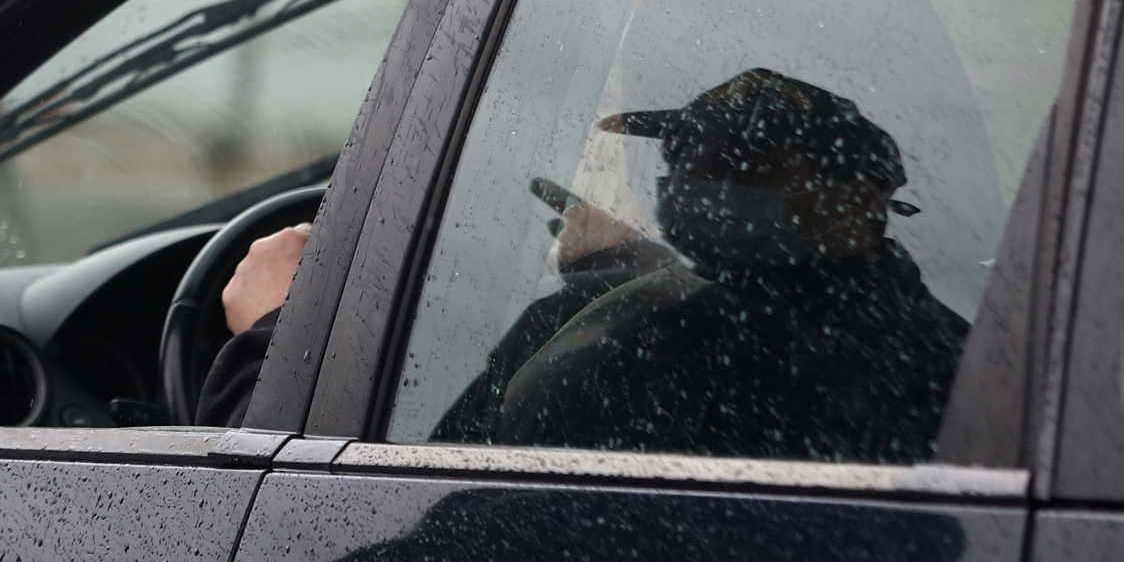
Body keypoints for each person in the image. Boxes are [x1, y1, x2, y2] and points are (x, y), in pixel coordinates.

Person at [200, 68, 967, 463]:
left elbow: (346, 518)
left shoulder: (656, 351)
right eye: (678, 157)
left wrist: (269, 338)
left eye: (733, 163)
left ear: (853, 200)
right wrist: (625, 277)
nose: (683, 183)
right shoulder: (948, 347)